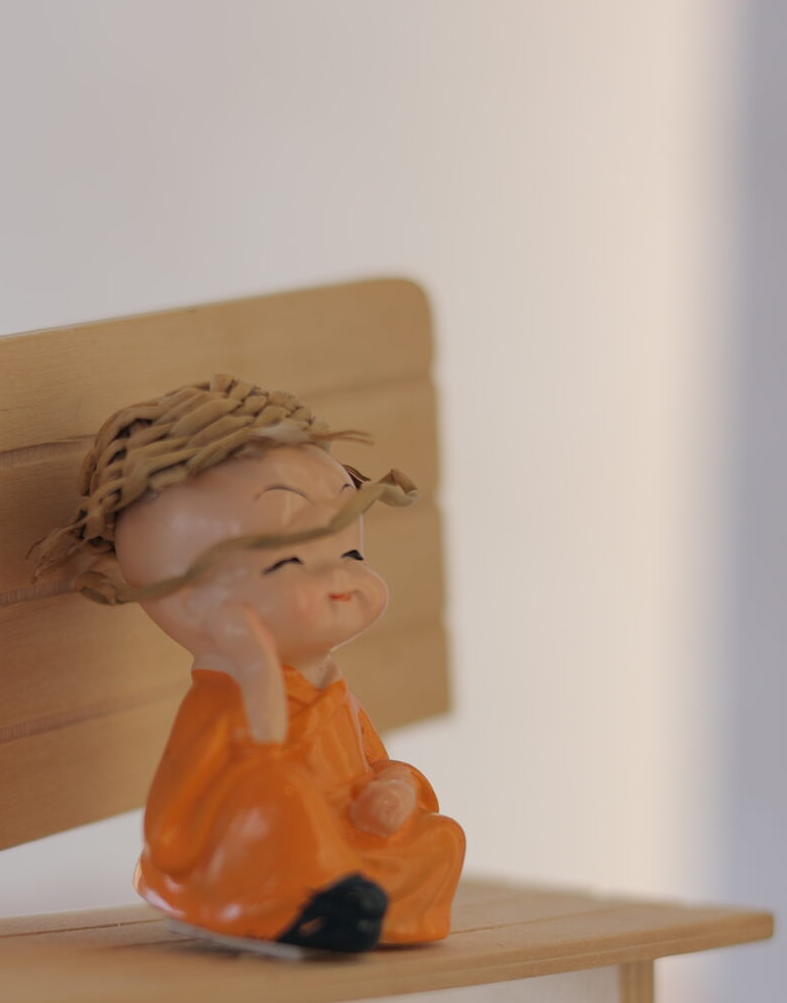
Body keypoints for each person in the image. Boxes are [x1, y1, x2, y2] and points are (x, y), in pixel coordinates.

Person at [32, 374, 465, 950]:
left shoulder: (334, 692)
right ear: (190, 603)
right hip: (251, 861)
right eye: (288, 564)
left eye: (350, 553)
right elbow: (180, 824)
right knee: (280, 789)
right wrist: (255, 670)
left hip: (349, 844)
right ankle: (299, 907)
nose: (341, 579)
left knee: (441, 837)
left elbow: (373, 764)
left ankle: (351, 905)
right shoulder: (222, 705)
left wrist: (396, 788)